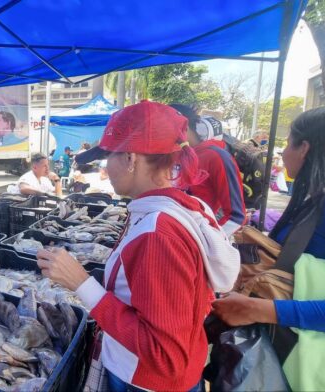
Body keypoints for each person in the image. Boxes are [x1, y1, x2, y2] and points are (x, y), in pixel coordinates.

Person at [36, 101, 239, 391]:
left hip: (146, 382)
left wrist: (81, 283)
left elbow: (165, 354)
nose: (106, 166)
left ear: (131, 159)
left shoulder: (159, 234)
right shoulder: (178, 207)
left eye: (109, 156)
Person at [212, 103, 325, 387]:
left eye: (289, 143)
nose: (283, 152)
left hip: (314, 367)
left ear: (304, 148)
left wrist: (262, 309)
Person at [171, 104, 246, 235]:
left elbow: (236, 217)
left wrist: (207, 243)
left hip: (197, 241)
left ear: (183, 126)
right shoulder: (174, 155)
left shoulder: (216, 157)